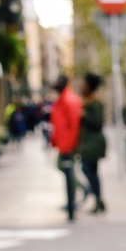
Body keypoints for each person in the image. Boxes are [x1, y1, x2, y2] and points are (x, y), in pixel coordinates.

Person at [50, 75, 82, 218]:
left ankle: (74, 197)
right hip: (64, 142)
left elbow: (74, 124)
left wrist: (71, 143)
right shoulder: (63, 99)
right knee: (65, 169)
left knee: (67, 169)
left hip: (68, 144)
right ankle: (72, 199)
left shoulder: (69, 100)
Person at [79, 72, 108, 214]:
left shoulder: (95, 103)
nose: (81, 86)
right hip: (89, 143)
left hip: (93, 144)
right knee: (92, 172)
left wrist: (84, 115)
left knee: (88, 170)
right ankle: (98, 200)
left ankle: (94, 195)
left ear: (89, 86)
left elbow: (98, 122)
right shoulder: (87, 101)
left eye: (84, 84)